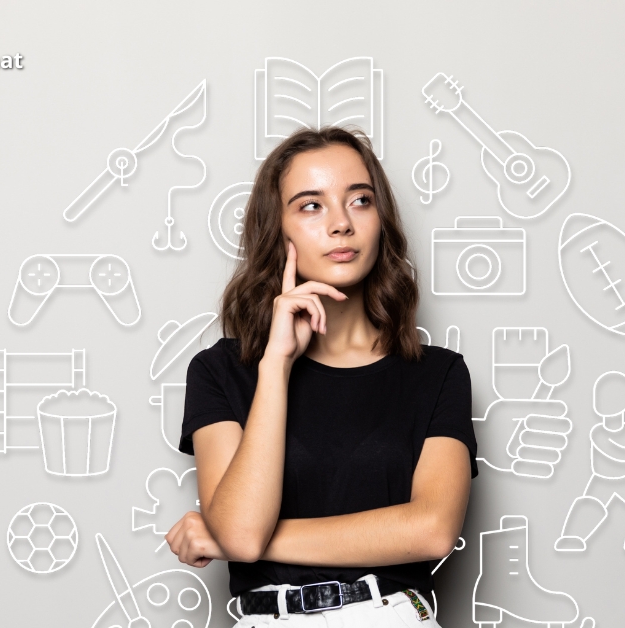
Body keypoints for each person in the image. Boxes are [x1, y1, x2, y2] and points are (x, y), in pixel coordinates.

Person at [166, 126, 477, 626]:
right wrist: (275, 365)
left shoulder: (437, 373)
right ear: (277, 230)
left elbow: (432, 530)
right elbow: (241, 534)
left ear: (380, 221)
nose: (340, 224)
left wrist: (247, 539)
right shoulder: (220, 372)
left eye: (360, 200)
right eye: (311, 205)